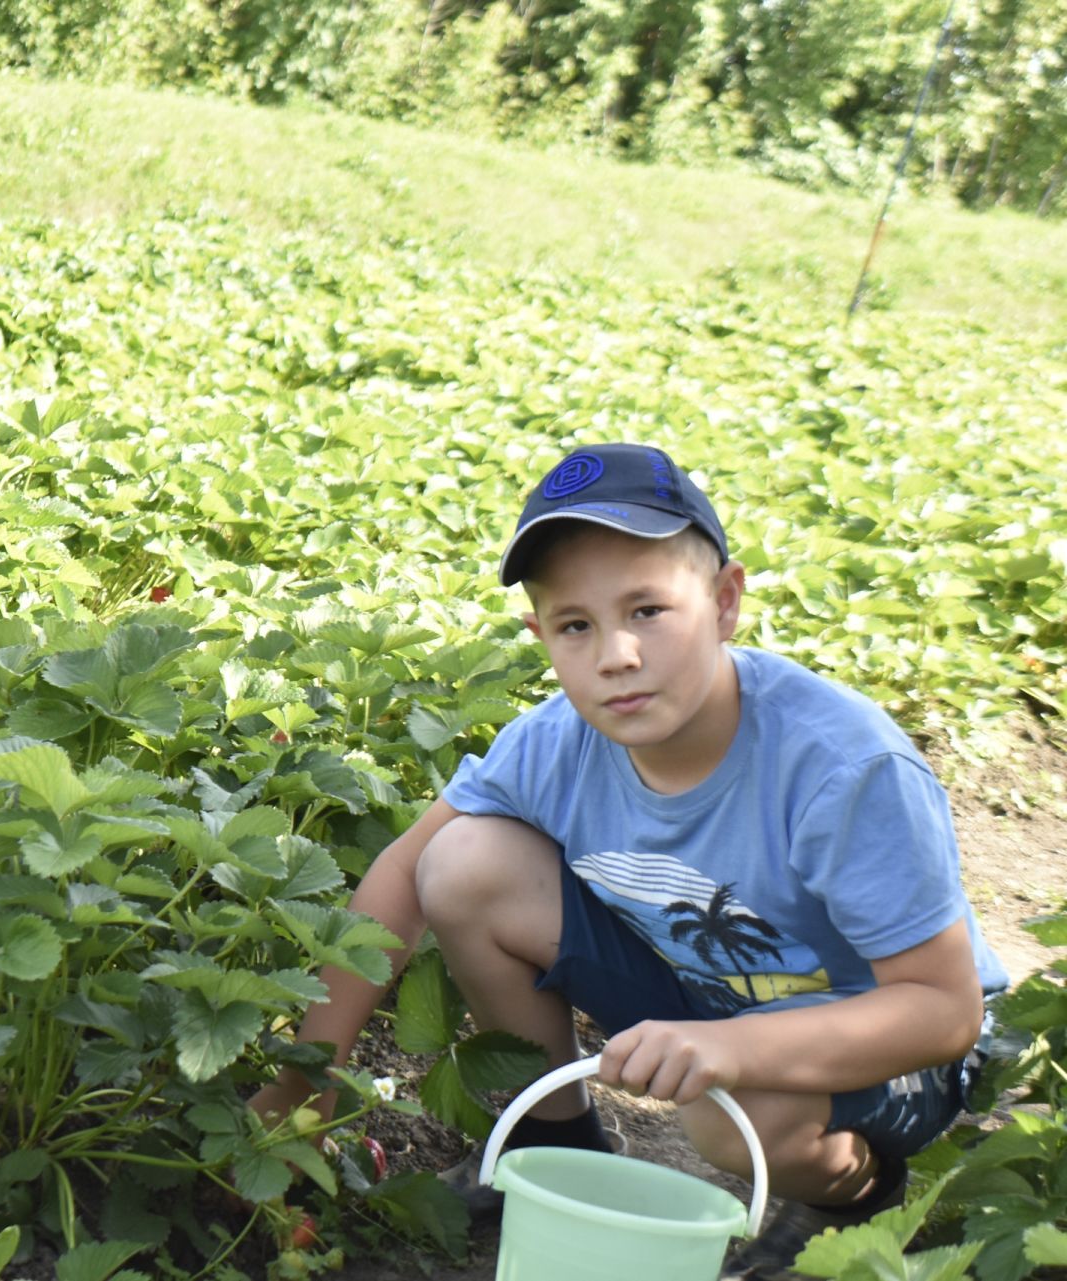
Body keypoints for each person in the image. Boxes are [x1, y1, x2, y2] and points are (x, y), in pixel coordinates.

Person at [253, 444, 1006, 1278]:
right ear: (541, 635)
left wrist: (732, 1053)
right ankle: (551, 1136)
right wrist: (305, 1082)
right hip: (703, 997)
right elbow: (402, 875)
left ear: (724, 602)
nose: (616, 654)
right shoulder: (556, 742)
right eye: (577, 625)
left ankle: (846, 1193)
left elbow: (944, 1010)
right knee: (464, 861)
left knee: (731, 1120)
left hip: (890, 1040)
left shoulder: (842, 767)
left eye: (648, 609)